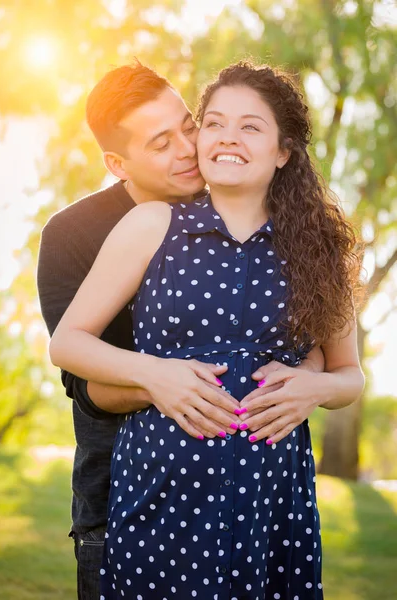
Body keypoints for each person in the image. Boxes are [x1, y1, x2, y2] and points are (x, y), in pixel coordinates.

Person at [49, 61, 364, 599]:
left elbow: (349, 375)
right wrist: (155, 375)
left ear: (284, 151)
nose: (223, 138)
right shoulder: (151, 225)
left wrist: (316, 386)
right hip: (161, 488)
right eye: (214, 122)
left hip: (271, 498)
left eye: (250, 126)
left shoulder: (320, 249)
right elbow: (67, 343)